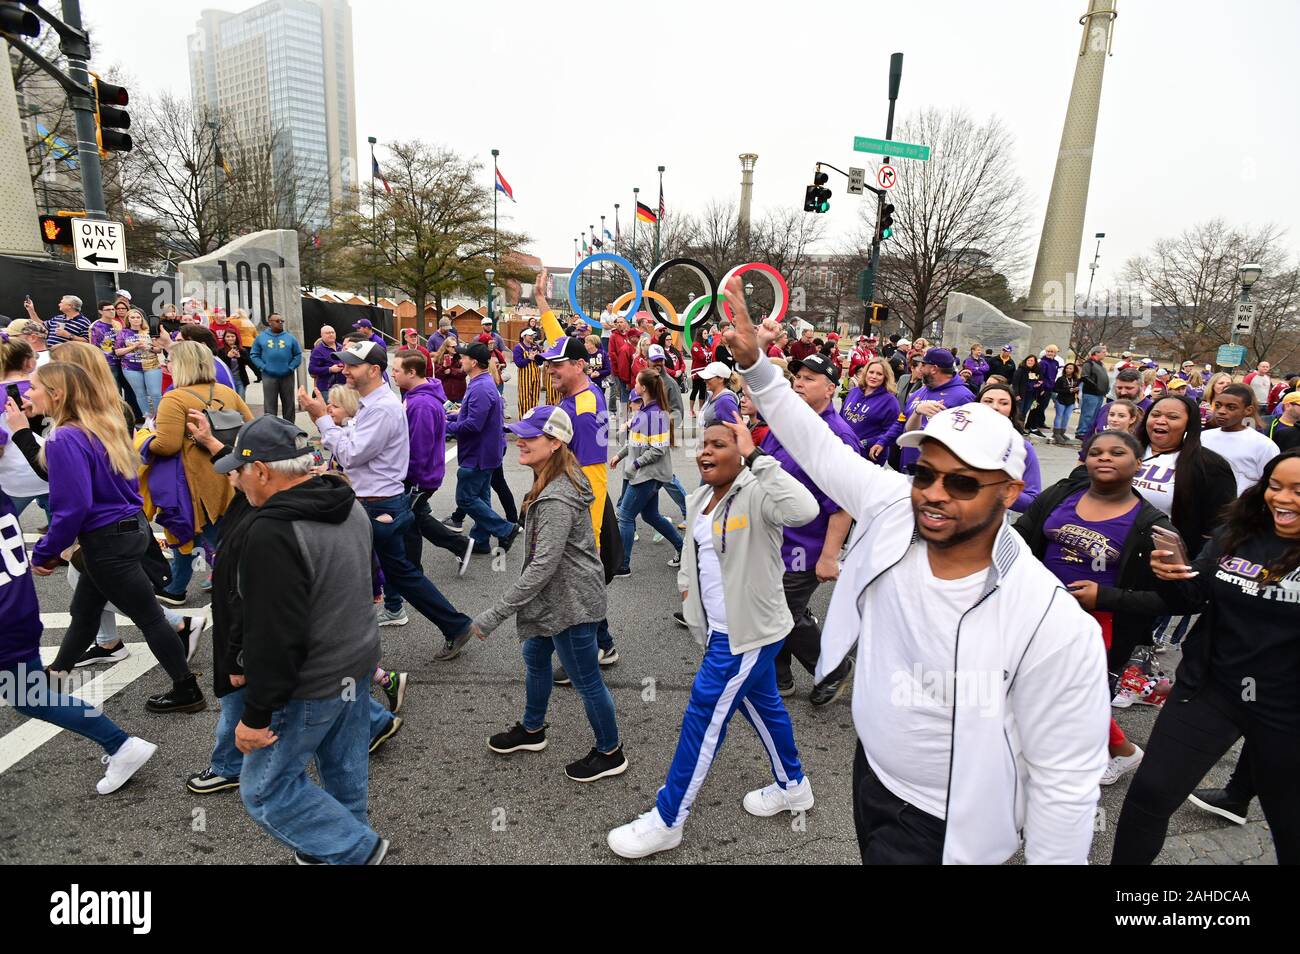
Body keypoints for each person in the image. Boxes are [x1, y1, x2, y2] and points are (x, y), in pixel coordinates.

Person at [722, 277, 1109, 864]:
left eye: (961, 482)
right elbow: (818, 448)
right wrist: (757, 367)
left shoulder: (1049, 621)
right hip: (870, 776)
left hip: (948, 824)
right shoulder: (893, 503)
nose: (933, 494)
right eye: (926, 473)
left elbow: (1065, 784)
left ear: (1008, 493)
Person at [607, 414, 820, 858]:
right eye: (703, 444)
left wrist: (758, 457)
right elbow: (695, 564)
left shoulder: (759, 493)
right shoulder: (701, 496)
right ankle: (794, 786)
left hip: (748, 635)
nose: (705, 451)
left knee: (704, 716)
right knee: (764, 705)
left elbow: (806, 510)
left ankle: (668, 819)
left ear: (740, 452)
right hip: (720, 631)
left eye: (720, 444)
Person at [217, 417, 390, 865]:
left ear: (263, 471)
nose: (236, 479)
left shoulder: (272, 531)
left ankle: (356, 849)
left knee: (265, 792)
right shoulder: (345, 503)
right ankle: (343, 842)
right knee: (345, 773)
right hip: (354, 661)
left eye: (239, 469)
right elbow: (365, 579)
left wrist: (255, 717)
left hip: (310, 681)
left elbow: (276, 634)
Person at [1113, 450, 1300, 865]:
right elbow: (1194, 596)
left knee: (1289, 824)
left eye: (1298, 490)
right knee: (1149, 796)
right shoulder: (1241, 530)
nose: (1283, 499)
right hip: (1212, 689)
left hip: (1288, 710)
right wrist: (1172, 576)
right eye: (1275, 486)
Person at [28, 362, 207, 713]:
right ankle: (57, 672)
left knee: (149, 617)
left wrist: (45, 553)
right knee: (85, 610)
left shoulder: (65, 436)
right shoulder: (102, 425)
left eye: (34, 387)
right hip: (128, 528)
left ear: (57, 393)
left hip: (107, 539)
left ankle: (186, 689)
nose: (27, 394)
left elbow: (72, 506)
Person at [471, 405, 628, 783]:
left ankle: (610, 751)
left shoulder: (557, 496)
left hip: (570, 604)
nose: (519, 441)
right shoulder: (555, 477)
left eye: (529, 435)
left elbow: (543, 566)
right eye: (518, 433)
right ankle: (532, 729)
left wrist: (493, 615)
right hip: (557, 598)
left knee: (587, 680)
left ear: (555, 443)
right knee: (535, 655)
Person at [1014, 430, 1176, 787]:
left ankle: (1114, 754)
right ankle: (1111, 751)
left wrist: (1104, 597)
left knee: (1072, 694)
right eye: (1095, 451)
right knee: (1037, 686)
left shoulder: (1152, 526)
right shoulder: (1062, 494)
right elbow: (1022, 537)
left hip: (1094, 623)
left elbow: (1173, 598)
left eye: (1117, 452)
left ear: (1138, 465)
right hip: (1038, 610)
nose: (1104, 457)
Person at [298, 341, 476, 662]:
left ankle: (337, 647)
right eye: (346, 364)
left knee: (365, 571)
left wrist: (322, 420)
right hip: (379, 502)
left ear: (374, 370)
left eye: (352, 365)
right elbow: (355, 447)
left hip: (379, 504)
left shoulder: (381, 407)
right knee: (398, 573)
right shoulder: (374, 404)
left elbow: (351, 455)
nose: (345, 370)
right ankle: (453, 624)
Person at [0, 490, 158, 795]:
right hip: (19, 610)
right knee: (34, 696)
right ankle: (120, 744)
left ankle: (121, 744)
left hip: (7, 620)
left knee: (33, 697)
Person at [534, 323, 622, 680]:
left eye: (558, 364)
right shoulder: (576, 394)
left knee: (577, 580)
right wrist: (541, 302)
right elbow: (564, 341)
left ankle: (588, 655)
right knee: (576, 582)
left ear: (580, 365)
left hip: (583, 505)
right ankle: (603, 644)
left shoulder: (584, 410)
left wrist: (589, 530)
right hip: (572, 499)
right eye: (549, 363)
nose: (551, 369)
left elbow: (592, 475)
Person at [150, 342, 253, 606]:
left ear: (181, 366)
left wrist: (142, 441)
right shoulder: (226, 392)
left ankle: (241, 592)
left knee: (211, 537)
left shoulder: (174, 398)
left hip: (193, 481)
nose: (166, 365)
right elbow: (252, 427)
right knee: (199, 532)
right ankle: (175, 587)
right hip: (228, 471)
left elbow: (167, 445)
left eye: (169, 361)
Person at [389, 349, 473, 579]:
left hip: (419, 476)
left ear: (412, 372)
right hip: (420, 475)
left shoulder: (422, 404)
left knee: (410, 523)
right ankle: (459, 546)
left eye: (396, 370)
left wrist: (409, 478)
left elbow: (420, 448)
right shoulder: (416, 397)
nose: (393, 374)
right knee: (416, 518)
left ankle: (414, 575)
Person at [1133, 395, 1235, 560]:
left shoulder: (1210, 465)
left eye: (1172, 417)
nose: (1160, 421)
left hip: (1166, 558)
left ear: (1189, 424)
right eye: (1155, 414)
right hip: (1115, 546)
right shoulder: (1124, 451)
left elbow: (1218, 525)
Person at [445, 341, 518, 563]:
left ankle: (505, 529)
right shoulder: (481, 384)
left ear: (474, 362)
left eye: (464, 358)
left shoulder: (480, 388)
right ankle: (481, 540)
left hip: (479, 453)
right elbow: (471, 417)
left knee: (465, 499)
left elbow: (473, 426)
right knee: (481, 496)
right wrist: (451, 416)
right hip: (486, 451)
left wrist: (445, 427)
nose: (460, 360)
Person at [612, 368, 683, 575]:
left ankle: (623, 566)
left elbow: (658, 450)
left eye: (636, 382)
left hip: (647, 475)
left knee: (625, 517)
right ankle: (684, 549)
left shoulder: (657, 415)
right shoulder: (644, 411)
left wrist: (635, 465)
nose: (634, 385)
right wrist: (620, 455)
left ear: (643, 388)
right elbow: (635, 443)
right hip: (644, 474)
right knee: (651, 516)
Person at [879, 347, 975, 474]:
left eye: (923, 364)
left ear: (934, 369)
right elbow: (902, 420)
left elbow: (966, 442)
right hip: (908, 467)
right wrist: (883, 441)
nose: (920, 368)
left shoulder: (963, 396)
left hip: (936, 473)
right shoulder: (919, 392)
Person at [0, 338, 49, 524]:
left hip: (14, 476)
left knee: (5, 529)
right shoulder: (49, 387)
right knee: (61, 536)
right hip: (55, 469)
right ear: (29, 362)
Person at [1200, 383, 1281, 495]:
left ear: (1248, 410)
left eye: (1231, 407)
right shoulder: (1203, 437)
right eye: (1218, 405)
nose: (1221, 411)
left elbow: (1271, 483)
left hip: (1241, 509)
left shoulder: (1263, 445)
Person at [975, 383, 1040, 513]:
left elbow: (1032, 500)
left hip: (991, 521)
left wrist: (995, 488)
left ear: (1012, 410)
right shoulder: (956, 435)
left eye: (1003, 403)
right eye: (988, 401)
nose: (994, 407)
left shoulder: (1022, 447)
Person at [841, 358, 899, 464]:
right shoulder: (854, 392)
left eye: (879, 374)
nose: (874, 376)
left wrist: (865, 442)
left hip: (868, 455)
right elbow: (841, 418)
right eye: (871, 372)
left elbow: (892, 432)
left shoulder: (890, 401)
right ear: (865, 373)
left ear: (885, 377)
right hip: (845, 451)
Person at [250, 313, 302, 421]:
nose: (280, 323)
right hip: (268, 375)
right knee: (270, 404)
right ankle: (271, 427)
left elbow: (297, 355)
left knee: (289, 403)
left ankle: (289, 428)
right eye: (277, 321)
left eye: (282, 321)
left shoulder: (290, 338)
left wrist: (291, 367)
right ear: (270, 322)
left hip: (287, 375)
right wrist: (263, 367)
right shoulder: (261, 338)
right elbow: (254, 354)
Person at [115, 308, 164, 423]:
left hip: (151, 365)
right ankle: (147, 418)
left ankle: (160, 417)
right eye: (133, 317)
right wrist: (134, 346)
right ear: (128, 320)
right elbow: (118, 352)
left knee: (156, 393)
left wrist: (150, 348)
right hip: (131, 368)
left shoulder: (149, 331)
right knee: (140, 394)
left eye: (138, 317)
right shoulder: (123, 333)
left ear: (142, 319)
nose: (136, 319)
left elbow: (159, 350)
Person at [1081, 368, 1151, 445]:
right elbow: (1089, 438)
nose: (1123, 392)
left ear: (1142, 387)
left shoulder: (1152, 410)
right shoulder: (1106, 408)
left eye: (1129, 388)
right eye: (1119, 388)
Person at [1076, 344, 1110, 439]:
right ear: (1096, 353)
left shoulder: (1100, 364)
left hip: (1100, 394)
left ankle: (1089, 433)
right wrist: (1096, 387)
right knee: (1087, 414)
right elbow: (1084, 377)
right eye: (1103, 352)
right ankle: (1081, 432)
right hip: (1091, 394)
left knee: (1094, 415)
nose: (1105, 354)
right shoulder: (1089, 363)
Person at [1026, 344, 1061, 436]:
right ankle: (1032, 426)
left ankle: (1032, 424)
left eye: (1052, 352)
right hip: (1042, 389)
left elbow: (1053, 376)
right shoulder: (1043, 363)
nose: (1049, 353)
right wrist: (1041, 388)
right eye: (1048, 351)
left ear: (1055, 353)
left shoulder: (1056, 363)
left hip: (1049, 388)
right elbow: (1040, 377)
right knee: (1036, 408)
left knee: (1042, 408)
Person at [512, 328, 544, 420]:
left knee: (535, 398)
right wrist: (529, 359)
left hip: (536, 376)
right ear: (524, 336)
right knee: (524, 399)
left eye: (532, 335)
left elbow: (540, 363)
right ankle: (524, 421)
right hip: (525, 378)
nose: (532, 337)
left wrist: (537, 357)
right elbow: (519, 363)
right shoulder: (518, 348)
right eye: (529, 335)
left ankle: (533, 420)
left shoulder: (536, 346)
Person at [696, 362, 740, 428]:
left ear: (721, 379)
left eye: (709, 378)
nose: (705, 380)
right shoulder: (711, 396)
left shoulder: (725, 401)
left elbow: (733, 429)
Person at [308, 325, 346, 396]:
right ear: (321, 335)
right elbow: (312, 370)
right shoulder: (317, 350)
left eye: (332, 332)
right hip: (327, 389)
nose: (331, 334)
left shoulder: (342, 347)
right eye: (328, 333)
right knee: (328, 407)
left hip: (343, 387)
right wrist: (330, 369)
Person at [1050, 360, 1082, 445]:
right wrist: (1069, 390)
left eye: (1070, 368)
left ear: (1074, 370)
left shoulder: (1076, 380)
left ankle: (1062, 432)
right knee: (1059, 416)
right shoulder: (1061, 379)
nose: (1068, 370)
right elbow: (1055, 389)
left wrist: (1076, 390)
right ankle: (1056, 433)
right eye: (1067, 368)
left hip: (1071, 401)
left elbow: (1078, 388)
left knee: (1066, 417)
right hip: (1061, 400)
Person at [433, 336, 467, 402]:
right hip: (445, 394)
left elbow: (463, 373)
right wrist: (443, 367)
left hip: (459, 394)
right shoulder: (439, 359)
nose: (455, 348)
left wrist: (451, 371)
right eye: (453, 347)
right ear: (447, 347)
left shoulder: (460, 358)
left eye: (456, 346)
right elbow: (437, 376)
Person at [220, 330, 252, 399]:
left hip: (240, 380)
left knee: (241, 401)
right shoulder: (220, 351)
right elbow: (221, 367)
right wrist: (228, 357)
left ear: (236, 338)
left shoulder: (242, 350)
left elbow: (249, 363)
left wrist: (240, 357)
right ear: (224, 338)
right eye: (228, 336)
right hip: (226, 381)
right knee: (229, 401)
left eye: (232, 336)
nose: (230, 338)